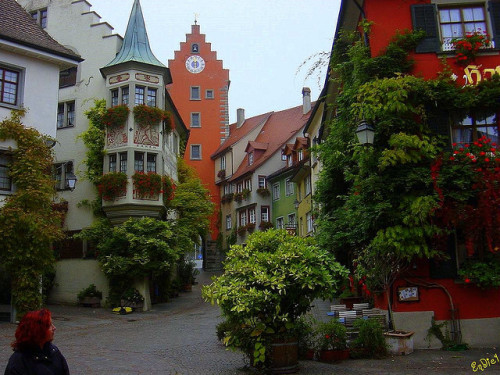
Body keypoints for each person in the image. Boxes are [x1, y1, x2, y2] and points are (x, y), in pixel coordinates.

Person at [4, 309, 70, 375]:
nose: (54, 328)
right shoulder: (18, 362)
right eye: (49, 325)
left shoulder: (54, 351)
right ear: (38, 330)